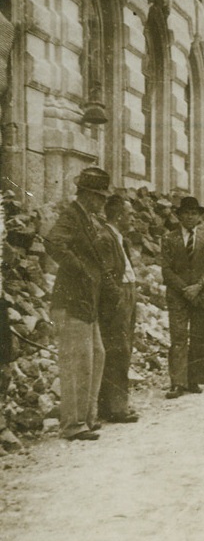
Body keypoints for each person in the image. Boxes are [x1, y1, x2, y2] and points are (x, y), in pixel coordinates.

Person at [44, 166, 111, 441]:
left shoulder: (86, 218)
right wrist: (80, 269)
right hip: (71, 300)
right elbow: (53, 243)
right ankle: (72, 424)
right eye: (100, 197)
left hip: (86, 301)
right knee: (76, 362)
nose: (102, 202)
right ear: (88, 195)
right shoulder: (72, 215)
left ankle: (87, 417)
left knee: (96, 355)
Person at [161, 196, 204, 398]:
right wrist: (185, 288)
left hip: (201, 294)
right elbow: (166, 269)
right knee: (178, 337)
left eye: (194, 213)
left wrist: (199, 286)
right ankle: (177, 382)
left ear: (199, 216)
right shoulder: (169, 238)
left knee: (199, 338)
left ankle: (193, 379)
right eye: (186, 213)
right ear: (179, 216)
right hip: (178, 295)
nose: (190, 217)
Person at [97, 194, 139, 423]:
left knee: (124, 348)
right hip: (118, 298)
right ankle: (116, 407)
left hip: (128, 293)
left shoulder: (120, 238)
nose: (133, 218)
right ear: (119, 215)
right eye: (130, 213)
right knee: (118, 350)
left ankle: (114, 404)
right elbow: (106, 275)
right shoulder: (105, 237)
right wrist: (117, 298)